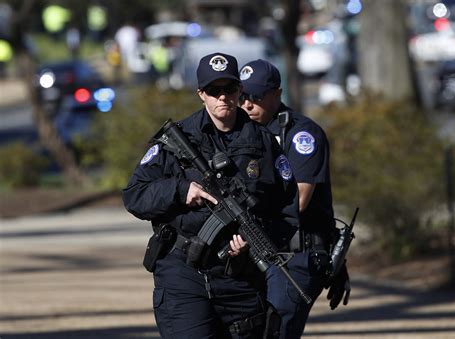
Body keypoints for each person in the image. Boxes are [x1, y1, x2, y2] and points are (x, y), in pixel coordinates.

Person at [123, 52, 300, 338]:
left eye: (229, 89)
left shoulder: (263, 142)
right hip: (183, 273)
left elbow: (287, 207)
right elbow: (135, 195)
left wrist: (256, 240)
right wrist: (181, 191)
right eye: (213, 90)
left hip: (241, 280)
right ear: (200, 94)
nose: (222, 97)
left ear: (239, 90)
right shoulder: (177, 140)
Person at [239, 59, 351, 338]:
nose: (247, 104)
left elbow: (297, 201)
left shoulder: (301, 133)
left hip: (296, 254)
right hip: (254, 252)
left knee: (275, 330)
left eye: (255, 96)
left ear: (277, 94)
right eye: (241, 96)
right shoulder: (241, 134)